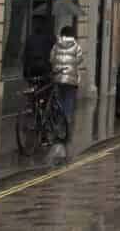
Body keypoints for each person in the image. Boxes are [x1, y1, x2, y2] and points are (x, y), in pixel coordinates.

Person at [49, 25, 83, 162]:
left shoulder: (56, 45)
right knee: (68, 103)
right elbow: (80, 60)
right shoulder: (76, 46)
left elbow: (51, 59)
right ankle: (65, 126)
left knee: (59, 100)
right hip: (70, 79)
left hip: (57, 78)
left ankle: (58, 123)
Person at [23, 16, 55, 82]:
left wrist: (25, 71)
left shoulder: (30, 39)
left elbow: (26, 55)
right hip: (44, 67)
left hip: (32, 67)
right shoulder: (49, 39)